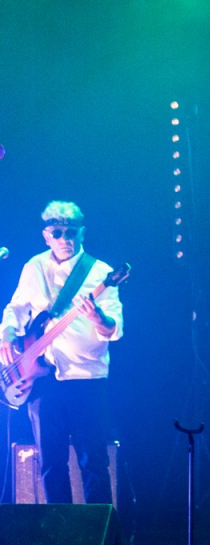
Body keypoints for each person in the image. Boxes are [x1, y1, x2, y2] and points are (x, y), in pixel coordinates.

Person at [0, 201, 123, 506]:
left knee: (93, 463)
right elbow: (17, 307)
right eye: (57, 232)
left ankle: (99, 532)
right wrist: (7, 333)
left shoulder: (101, 272)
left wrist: (97, 318)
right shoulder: (34, 267)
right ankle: (59, 530)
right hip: (42, 379)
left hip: (86, 378)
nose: (65, 238)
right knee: (50, 464)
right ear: (46, 236)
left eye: (71, 232)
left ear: (82, 233)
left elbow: (114, 328)